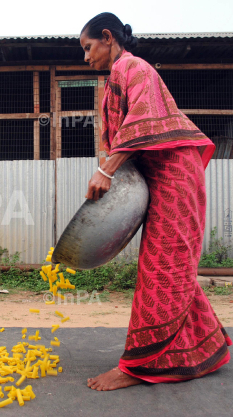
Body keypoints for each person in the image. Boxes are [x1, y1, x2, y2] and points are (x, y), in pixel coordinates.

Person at [79, 12, 231, 391]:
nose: (85, 57)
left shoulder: (135, 68)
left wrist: (108, 172)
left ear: (108, 37)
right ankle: (199, 348)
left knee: (162, 269)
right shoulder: (112, 84)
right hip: (154, 180)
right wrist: (106, 175)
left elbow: (141, 125)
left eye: (87, 47)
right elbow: (111, 140)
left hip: (176, 177)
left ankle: (137, 366)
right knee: (171, 267)